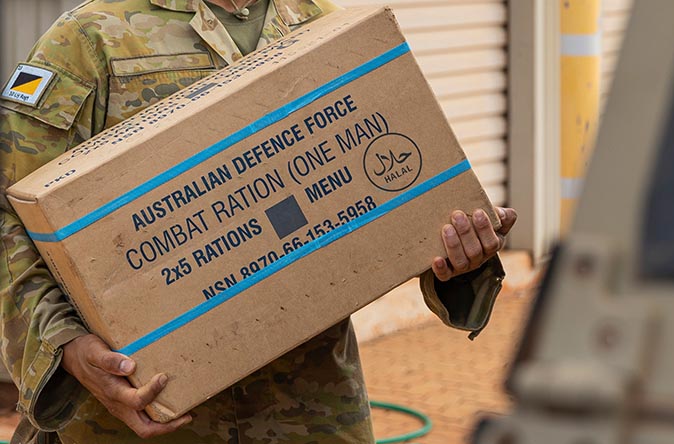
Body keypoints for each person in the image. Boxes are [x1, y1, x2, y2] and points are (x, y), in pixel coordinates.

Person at [0, 0, 517, 442]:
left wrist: (459, 257)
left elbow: (387, 210)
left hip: (311, 412)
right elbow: (11, 220)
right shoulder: (88, 42)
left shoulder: (319, 24)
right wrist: (64, 347)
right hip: (141, 418)